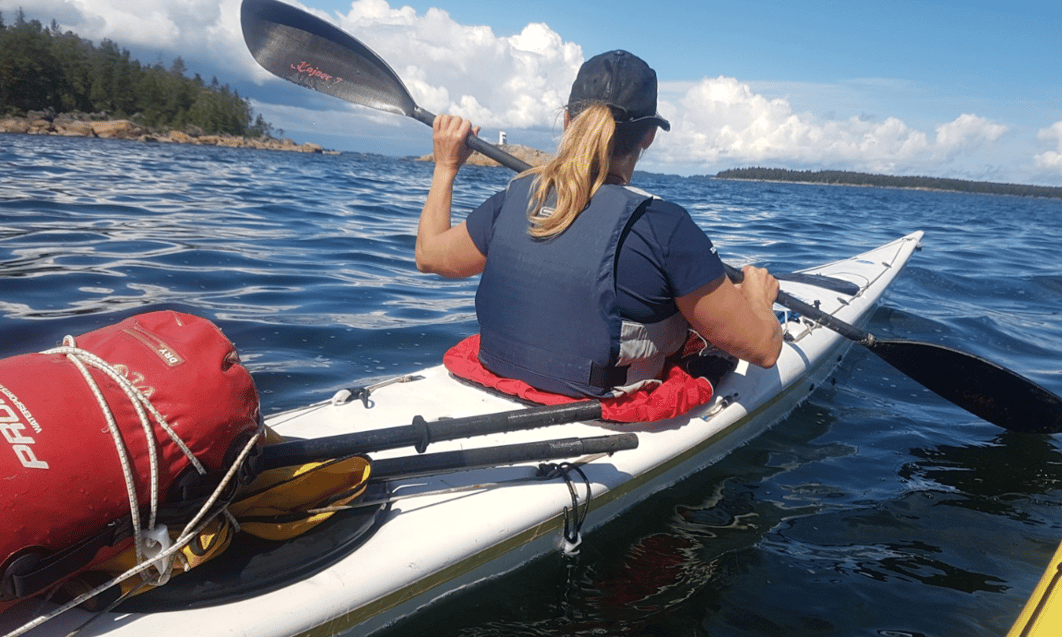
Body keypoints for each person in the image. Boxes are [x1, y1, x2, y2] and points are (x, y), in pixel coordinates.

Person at [416, 50, 782, 399]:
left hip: (499, 377)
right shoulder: (666, 228)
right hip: (603, 403)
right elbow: (764, 350)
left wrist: (446, 166)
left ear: (567, 121)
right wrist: (757, 297)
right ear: (649, 136)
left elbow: (430, 256)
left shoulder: (513, 197)